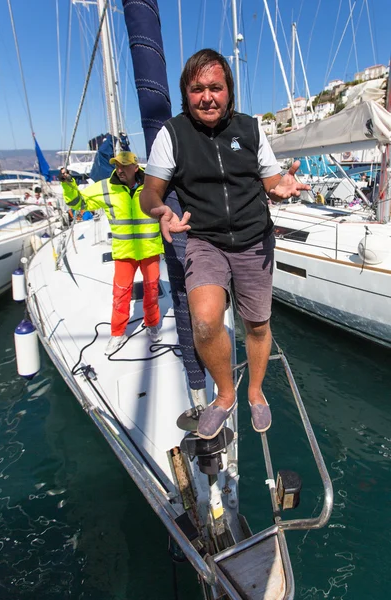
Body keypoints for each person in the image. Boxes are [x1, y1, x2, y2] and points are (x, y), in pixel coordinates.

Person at [140, 49, 310, 440]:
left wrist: (281, 188)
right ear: (186, 93)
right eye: (197, 89)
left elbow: (271, 182)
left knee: (257, 324)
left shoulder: (250, 130)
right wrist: (159, 211)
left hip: (254, 240)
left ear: (229, 91)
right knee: (204, 319)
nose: (207, 97)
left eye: (215, 87)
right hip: (206, 241)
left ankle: (255, 391)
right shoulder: (173, 135)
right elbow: (150, 191)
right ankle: (226, 394)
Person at [59, 150, 163, 356]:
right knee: (120, 294)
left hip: (150, 249)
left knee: (151, 290)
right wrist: (68, 184)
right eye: (117, 165)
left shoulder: (152, 184)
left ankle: (152, 324)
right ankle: (118, 333)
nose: (119, 170)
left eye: (124, 166)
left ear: (136, 167)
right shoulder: (106, 187)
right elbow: (79, 203)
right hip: (124, 252)